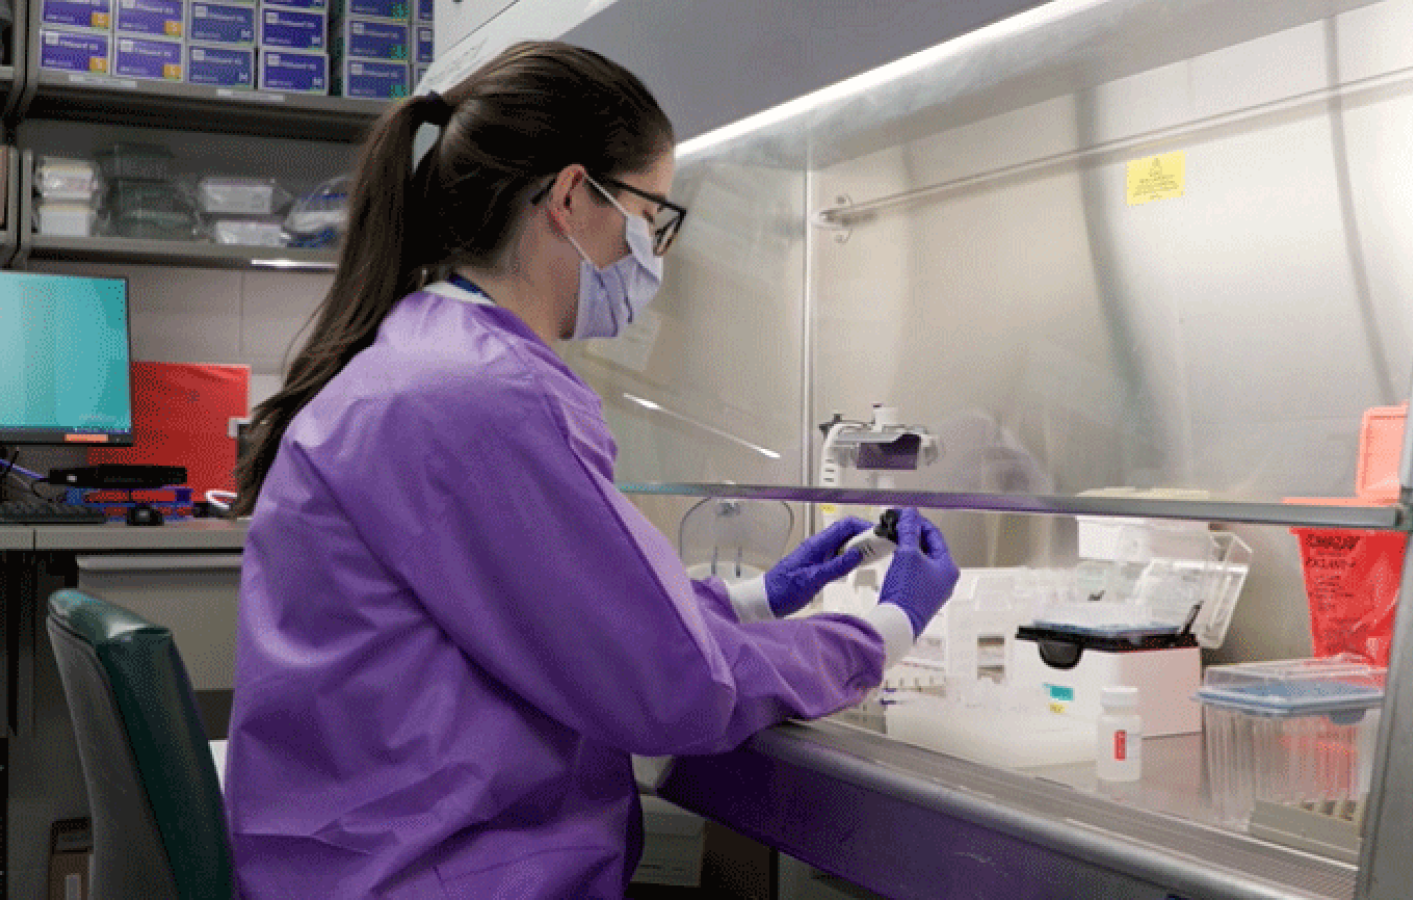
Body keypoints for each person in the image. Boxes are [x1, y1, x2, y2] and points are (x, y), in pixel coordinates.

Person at [225, 41, 960, 900]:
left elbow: (564, 614)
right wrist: (883, 631)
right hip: (435, 873)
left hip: (367, 855)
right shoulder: (481, 393)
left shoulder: (429, 357)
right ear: (572, 198)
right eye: (652, 214)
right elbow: (670, 687)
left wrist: (755, 600)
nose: (654, 248)